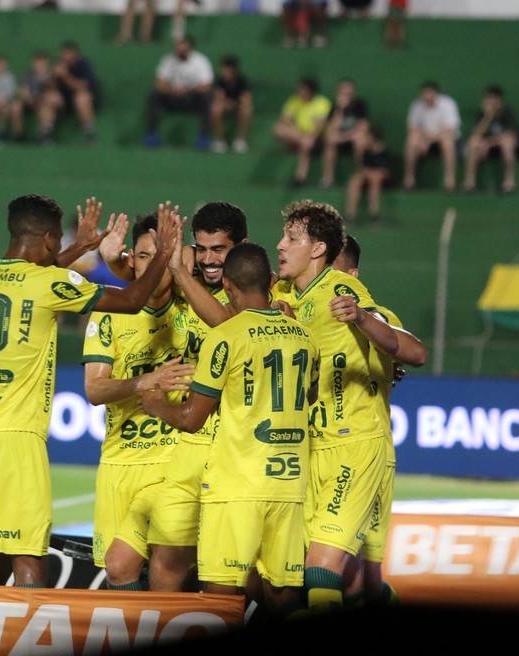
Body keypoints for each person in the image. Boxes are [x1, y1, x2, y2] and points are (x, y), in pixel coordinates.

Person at [0, 194, 179, 588]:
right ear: (51, 238)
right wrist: (164, 254)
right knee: (29, 563)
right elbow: (133, 299)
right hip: (13, 441)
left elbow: (30, 280)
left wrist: (79, 249)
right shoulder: (48, 282)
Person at [139, 242, 321, 619]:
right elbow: (312, 394)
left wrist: (158, 405)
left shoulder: (226, 335)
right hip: (288, 485)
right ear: (269, 282)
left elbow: (192, 419)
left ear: (226, 283)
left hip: (238, 486)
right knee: (282, 594)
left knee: (220, 595)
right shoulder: (304, 335)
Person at [99, 201, 249, 593]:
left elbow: (231, 326)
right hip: (174, 455)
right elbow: (151, 278)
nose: (209, 258)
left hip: (219, 456)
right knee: (124, 566)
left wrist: (175, 264)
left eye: (220, 249)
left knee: (230, 581)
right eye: (202, 249)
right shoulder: (183, 286)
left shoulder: (248, 290)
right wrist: (117, 262)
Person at [270, 199, 402, 613]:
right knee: (348, 580)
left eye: (291, 238)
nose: (279, 245)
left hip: (356, 446)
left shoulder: (343, 290)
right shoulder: (285, 294)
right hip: (309, 452)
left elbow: (411, 349)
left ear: (317, 249)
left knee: (322, 570)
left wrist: (364, 320)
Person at [82, 212, 194, 591]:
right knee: (119, 573)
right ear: (133, 260)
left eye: (164, 254)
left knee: (155, 567)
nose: (156, 264)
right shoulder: (110, 314)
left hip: (172, 463)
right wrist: (145, 381)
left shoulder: (196, 309)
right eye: (145, 256)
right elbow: (95, 391)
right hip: (119, 461)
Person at [332, 235, 427, 608]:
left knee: (363, 578)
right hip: (312, 449)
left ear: (353, 275)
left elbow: (410, 349)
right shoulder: (297, 302)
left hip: (363, 451)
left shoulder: (377, 316)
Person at [145, 35, 214, 151]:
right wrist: (173, 90)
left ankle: (203, 137)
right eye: (177, 46)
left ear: (190, 47)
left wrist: (187, 91)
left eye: (182, 46)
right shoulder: (168, 60)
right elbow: (159, 83)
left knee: (206, 98)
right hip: (173, 97)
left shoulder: (201, 61)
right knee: (154, 96)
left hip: (192, 99)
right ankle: (152, 135)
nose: (178, 49)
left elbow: (206, 86)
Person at [462, 85, 519, 194]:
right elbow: (476, 133)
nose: (492, 101)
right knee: (473, 142)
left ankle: (509, 183)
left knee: (507, 143)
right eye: (489, 98)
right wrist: (488, 116)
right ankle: (469, 183)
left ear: (500, 100)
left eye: (495, 98)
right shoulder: (483, 114)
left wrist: (489, 143)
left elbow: (510, 135)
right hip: (486, 149)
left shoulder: (507, 113)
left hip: (504, 147)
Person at [37, 41, 100, 145]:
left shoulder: (84, 65)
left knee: (82, 98)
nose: (66, 57)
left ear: (76, 54)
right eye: (64, 54)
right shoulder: (58, 64)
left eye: (69, 54)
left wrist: (66, 76)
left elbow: (82, 87)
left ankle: (90, 135)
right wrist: (52, 77)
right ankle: (45, 135)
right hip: (64, 101)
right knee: (48, 97)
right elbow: (50, 87)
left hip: (81, 101)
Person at [272, 77, 332, 188]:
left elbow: (319, 125)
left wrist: (310, 137)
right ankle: (296, 144)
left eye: (302, 89)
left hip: (317, 138)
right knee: (278, 128)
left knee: (305, 144)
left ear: (311, 91)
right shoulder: (294, 100)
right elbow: (284, 118)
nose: (299, 91)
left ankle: (300, 176)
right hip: (298, 135)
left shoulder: (322, 102)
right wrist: (296, 131)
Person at [402, 80, 461, 191]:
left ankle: (449, 180)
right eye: (424, 93)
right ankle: (408, 179)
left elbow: (450, 130)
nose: (426, 97)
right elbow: (412, 128)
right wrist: (424, 140)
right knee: (412, 141)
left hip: (442, 139)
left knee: (448, 142)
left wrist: (429, 141)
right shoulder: (417, 106)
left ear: (436, 93)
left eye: (429, 93)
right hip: (424, 141)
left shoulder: (448, 104)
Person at [319, 78, 370, 189]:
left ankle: (360, 176)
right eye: (343, 92)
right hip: (340, 139)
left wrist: (347, 136)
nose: (346, 95)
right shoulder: (334, 106)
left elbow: (363, 127)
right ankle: (327, 178)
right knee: (330, 141)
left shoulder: (360, 105)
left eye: (349, 92)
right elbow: (332, 128)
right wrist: (340, 109)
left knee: (360, 140)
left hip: (353, 138)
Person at [344, 125, 391, 224]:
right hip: (367, 177)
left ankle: (374, 213)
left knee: (375, 179)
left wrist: (372, 173)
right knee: (355, 181)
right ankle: (350, 215)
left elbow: (385, 172)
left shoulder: (384, 152)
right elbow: (361, 169)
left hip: (379, 180)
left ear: (372, 137)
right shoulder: (366, 152)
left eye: (366, 136)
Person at [210, 56, 253, 155]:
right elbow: (218, 96)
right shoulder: (220, 80)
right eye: (223, 69)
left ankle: (240, 141)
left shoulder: (242, 80)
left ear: (233, 71)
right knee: (215, 109)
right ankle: (220, 141)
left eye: (226, 70)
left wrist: (235, 104)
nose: (223, 72)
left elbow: (246, 98)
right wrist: (227, 103)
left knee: (247, 109)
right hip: (225, 105)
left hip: (238, 106)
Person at [13, 50, 55, 144]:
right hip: (28, 101)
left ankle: (44, 135)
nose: (40, 64)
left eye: (42, 61)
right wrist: (26, 97)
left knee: (46, 106)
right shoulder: (28, 74)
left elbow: (52, 90)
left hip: (42, 101)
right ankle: (19, 135)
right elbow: (23, 89)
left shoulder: (51, 75)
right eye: (37, 61)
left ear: (47, 62)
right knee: (15, 106)